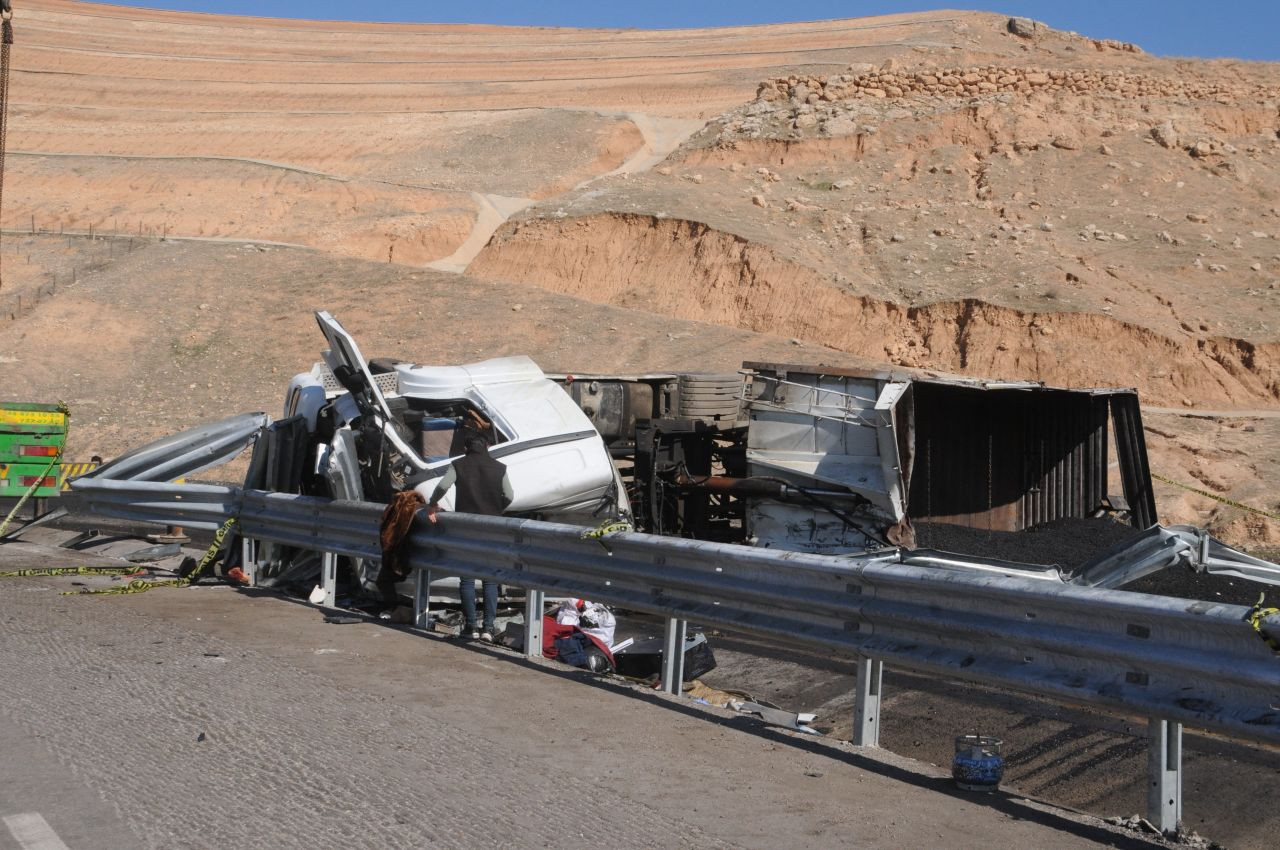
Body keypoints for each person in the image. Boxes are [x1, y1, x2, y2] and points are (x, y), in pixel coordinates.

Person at [426, 431, 513, 642]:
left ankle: (471, 627)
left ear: (466, 448)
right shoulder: (499, 468)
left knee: (466, 578)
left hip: (466, 528)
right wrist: (496, 510)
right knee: (490, 580)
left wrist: (432, 503)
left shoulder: (459, 465)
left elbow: (444, 486)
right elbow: (509, 496)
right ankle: (488, 629)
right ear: (488, 446)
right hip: (492, 527)